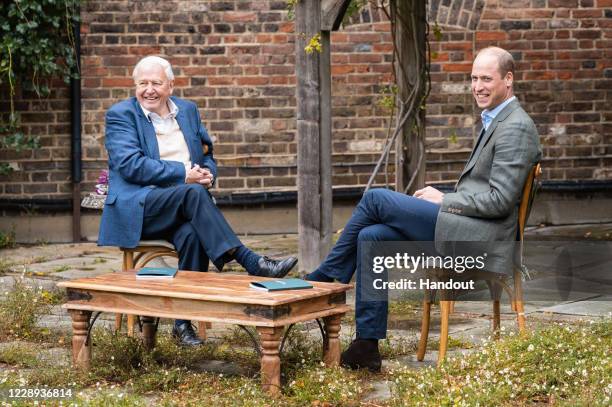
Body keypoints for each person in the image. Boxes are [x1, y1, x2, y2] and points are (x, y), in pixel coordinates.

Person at [305, 46, 542, 371]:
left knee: (375, 199)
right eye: (473, 78)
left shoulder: (515, 126)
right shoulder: (497, 120)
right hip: (465, 226)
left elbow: (499, 201)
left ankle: (325, 280)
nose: (478, 86)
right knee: (372, 235)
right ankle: (366, 346)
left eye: (486, 78)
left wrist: (444, 199)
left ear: (508, 80)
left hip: (480, 237)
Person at [98, 56, 297, 346]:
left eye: (156, 83)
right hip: (141, 208)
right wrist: (184, 174)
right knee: (192, 193)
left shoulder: (188, 111)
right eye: (142, 83)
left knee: (192, 233)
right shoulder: (121, 115)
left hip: (182, 205)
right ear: (135, 86)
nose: (148, 90)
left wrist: (206, 174)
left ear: (171, 85)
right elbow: (131, 166)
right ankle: (251, 261)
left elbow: (206, 154)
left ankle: (182, 324)